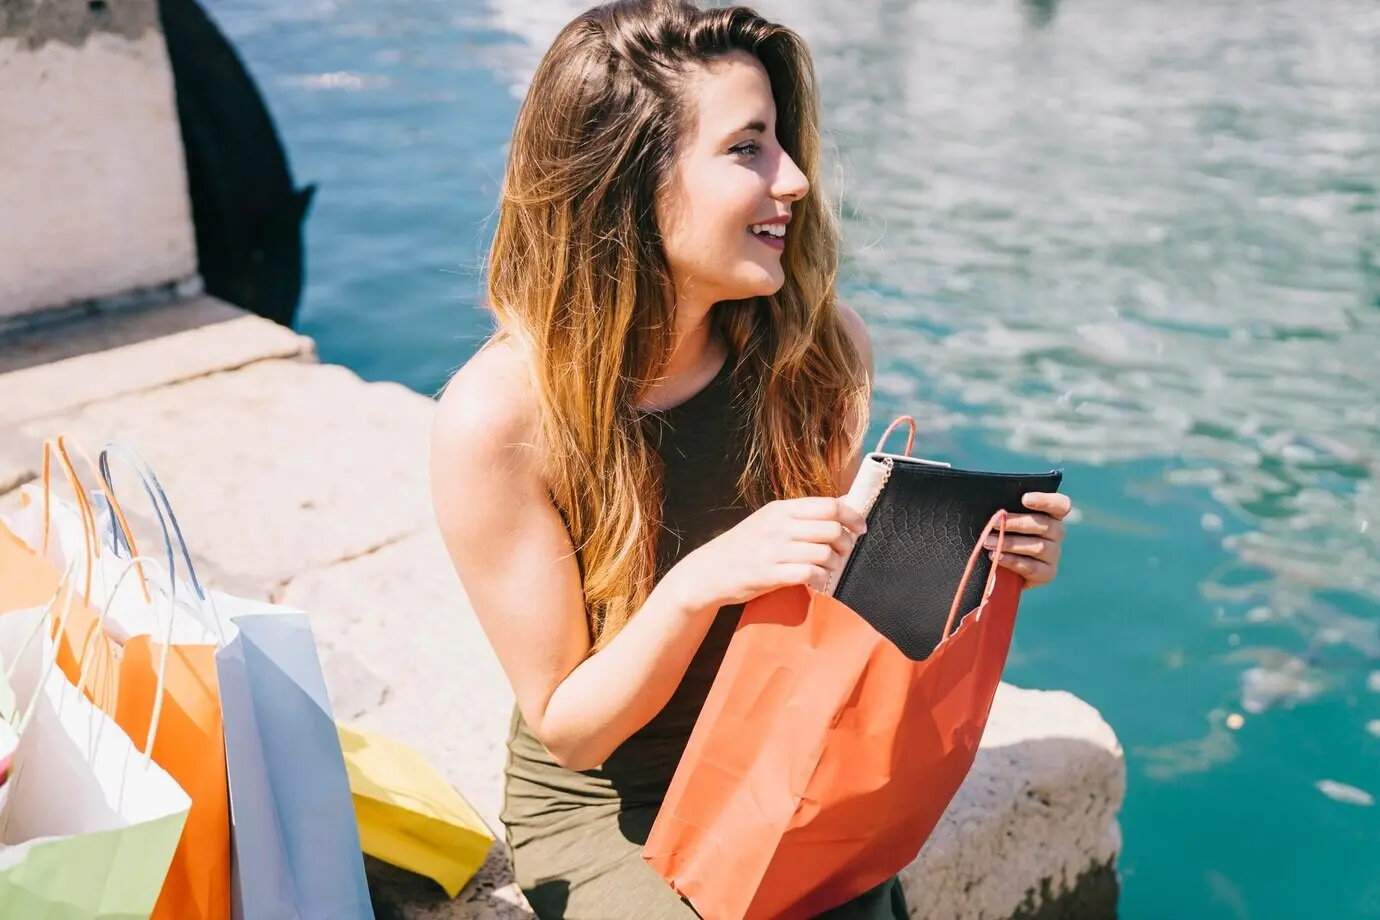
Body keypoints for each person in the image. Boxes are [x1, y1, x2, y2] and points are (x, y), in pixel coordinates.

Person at [428, 2, 1072, 917]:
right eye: (748, 149)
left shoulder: (818, 351)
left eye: (784, 144)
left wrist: (978, 565)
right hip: (612, 805)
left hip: (789, 756)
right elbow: (569, 731)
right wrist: (699, 584)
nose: (797, 180)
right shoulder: (497, 418)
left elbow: (835, 606)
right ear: (626, 179)